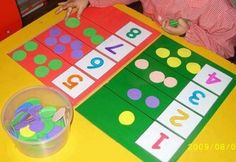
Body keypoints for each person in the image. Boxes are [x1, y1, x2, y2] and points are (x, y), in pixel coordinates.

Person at [56, 0, 236, 59]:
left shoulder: (219, 9)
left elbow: (225, 50)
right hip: (151, 41)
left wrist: (186, 32)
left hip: (193, 55)